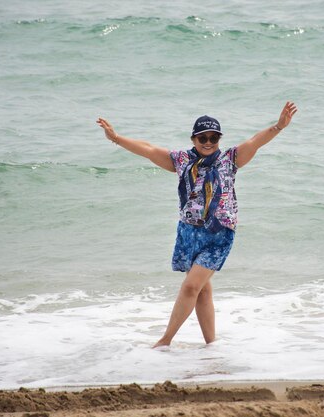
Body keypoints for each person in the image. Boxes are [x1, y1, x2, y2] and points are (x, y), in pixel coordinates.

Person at [96, 102, 298, 348]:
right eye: (203, 137)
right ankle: (211, 345)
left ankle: (165, 340)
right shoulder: (181, 161)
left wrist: (279, 126)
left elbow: (255, 141)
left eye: (214, 137)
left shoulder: (230, 159)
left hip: (219, 234)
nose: (208, 141)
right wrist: (115, 138)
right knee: (202, 289)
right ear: (194, 138)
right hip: (189, 233)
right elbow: (148, 149)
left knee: (191, 286)